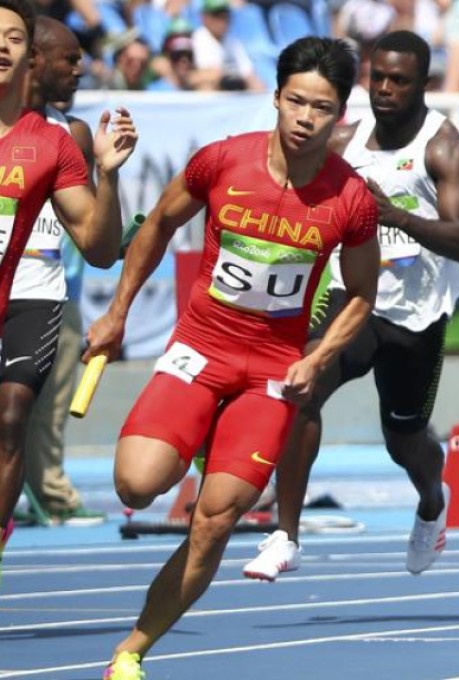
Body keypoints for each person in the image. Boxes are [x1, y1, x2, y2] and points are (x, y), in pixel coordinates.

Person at [89, 37, 380, 680]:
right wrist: (116, 314)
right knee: (136, 485)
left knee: (215, 520)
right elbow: (160, 224)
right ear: (275, 98)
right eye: (296, 102)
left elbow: (363, 294)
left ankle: (131, 650)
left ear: (340, 115)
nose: (305, 118)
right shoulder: (222, 162)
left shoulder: (351, 199)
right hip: (201, 347)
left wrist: (320, 356)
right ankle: (199, 437)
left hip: (272, 371)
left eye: (322, 108)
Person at [242, 30, 459, 582]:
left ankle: (431, 502)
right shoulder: (346, 139)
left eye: (400, 81)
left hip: (418, 314)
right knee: (300, 387)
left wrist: (391, 215)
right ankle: (286, 535)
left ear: (424, 85)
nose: (386, 90)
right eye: (378, 79)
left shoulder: (443, 148)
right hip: (356, 298)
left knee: (405, 442)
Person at [0, 0, 138, 586]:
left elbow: (101, 248)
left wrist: (108, 175)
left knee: (12, 415)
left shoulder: (56, 140)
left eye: (10, 37)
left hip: (32, 291)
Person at [9, 17, 104, 525]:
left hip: (48, 289)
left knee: (37, 408)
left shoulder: (72, 134)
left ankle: (50, 495)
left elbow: (87, 223)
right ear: (36, 60)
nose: (79, 71)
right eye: (69, 60)